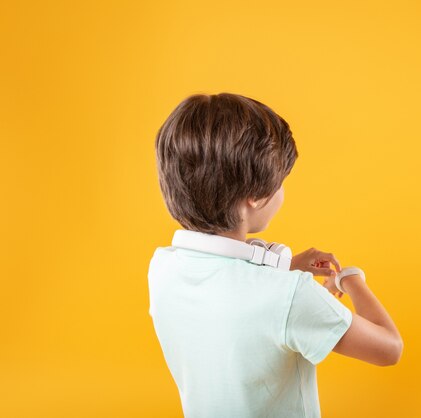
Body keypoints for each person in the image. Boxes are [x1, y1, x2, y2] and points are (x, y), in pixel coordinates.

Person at [148, 92, 403, 417]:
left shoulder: (163, 267)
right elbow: (389, 348)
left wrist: (288, 265)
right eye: (280, 181)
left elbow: (230, 292)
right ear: (255, 195)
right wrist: (351, 279)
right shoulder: (291, 296)